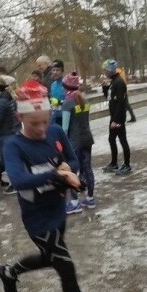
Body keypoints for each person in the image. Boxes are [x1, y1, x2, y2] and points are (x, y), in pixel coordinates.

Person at [0, 80, 116, 292]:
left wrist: (66, 170)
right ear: (19, 117)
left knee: (49, 258)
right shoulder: (13, 145)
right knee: (65, 267)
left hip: (58, 211)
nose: (41, 129)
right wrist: (55, 175)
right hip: (37, 219)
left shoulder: (56, 131)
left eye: (45, 121)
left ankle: (9, 272)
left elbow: (72, 159)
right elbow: (20, 180)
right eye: (34, 123)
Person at [61, 71, 96, 213]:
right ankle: (90, 198)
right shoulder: (85, 100)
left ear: (66, 87)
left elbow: (64, 128)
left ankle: (74, 202)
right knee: (87, 168)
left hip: (73, 143)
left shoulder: (67, 104)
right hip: (87, 139)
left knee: (72, 171)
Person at [101, 59, 131, 175]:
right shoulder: (113, 82)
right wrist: (104, 88)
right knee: (111, 139)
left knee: (122, 139)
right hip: (114, 116)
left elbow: (121, 103)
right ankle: (114, 163)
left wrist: (116, 120)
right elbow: (109, 98)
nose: (104, 72)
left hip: (118, 117)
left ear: (110, 70)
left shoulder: (119, 82)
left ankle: (127, 164)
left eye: (105, 70)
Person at [0, 74, 19, 192]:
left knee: (8, 160)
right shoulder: (8, 98)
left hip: (5, 134)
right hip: (11, 131)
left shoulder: (1, 101)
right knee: (8, 159)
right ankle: (10, 182)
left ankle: (14, 184)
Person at [48, 60, 66, 126]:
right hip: (55, 117)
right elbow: (53, 102)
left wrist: (59, 102)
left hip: (66, 117)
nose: (55, 72)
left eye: (57, 70)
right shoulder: (53, 85)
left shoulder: (67, 83)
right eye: (53, 70)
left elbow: (72, 102)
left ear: (62, 71)